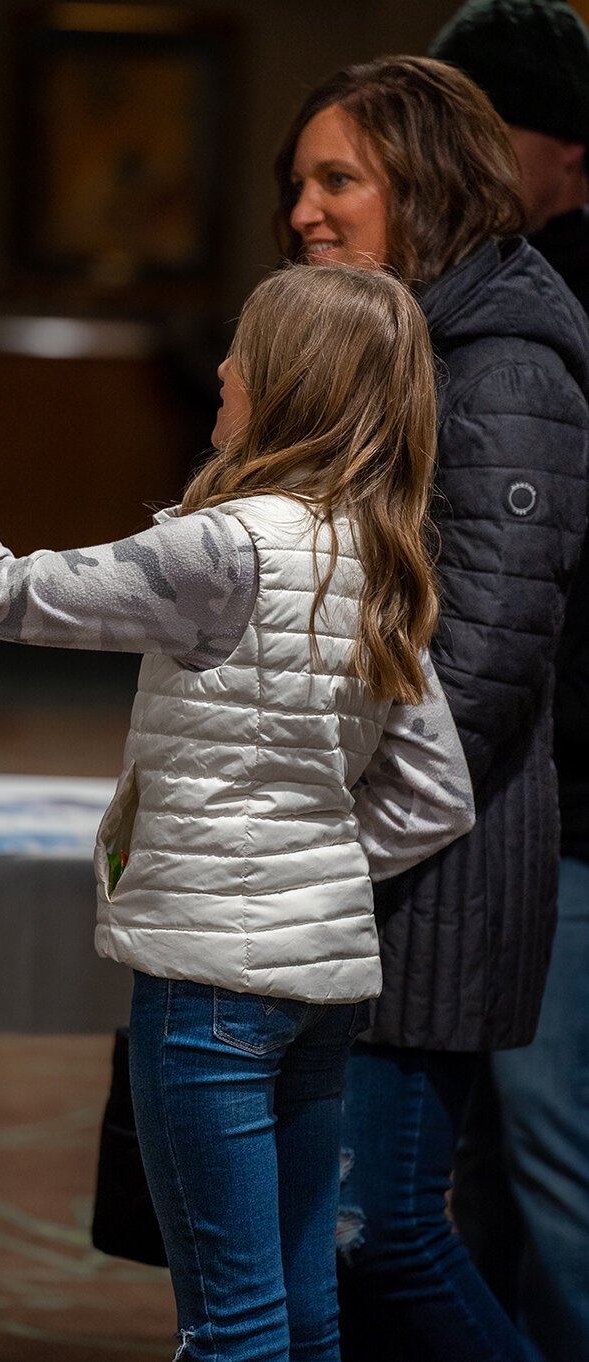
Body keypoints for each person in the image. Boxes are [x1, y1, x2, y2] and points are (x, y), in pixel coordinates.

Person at [0, 263, 474, 1362]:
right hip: (319, 985)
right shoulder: (381, 552)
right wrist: (297, 861)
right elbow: (434, 795)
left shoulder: (224, 548)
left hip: (210, 986)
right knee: (305, 1317)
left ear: (290, 383)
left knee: (231, 1329)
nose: (219, 371)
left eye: (243, 354)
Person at [273, 55, 589, 1362]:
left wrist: (329, 838)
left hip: (428, 871)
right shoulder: (405, 341)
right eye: (299, 181)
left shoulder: (502, 371)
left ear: (433, 187)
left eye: (337, 178)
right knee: (356, 1234)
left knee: (389, 1231)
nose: (303, 209)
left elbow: (484, 665)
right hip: (375, 864)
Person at [429, 6, 589, 1359]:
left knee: (549, 1169)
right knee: (490, 1168)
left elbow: (519, 616)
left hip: (561, 804)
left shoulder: (538, 315)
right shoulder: (490, 278)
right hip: (514, 796)